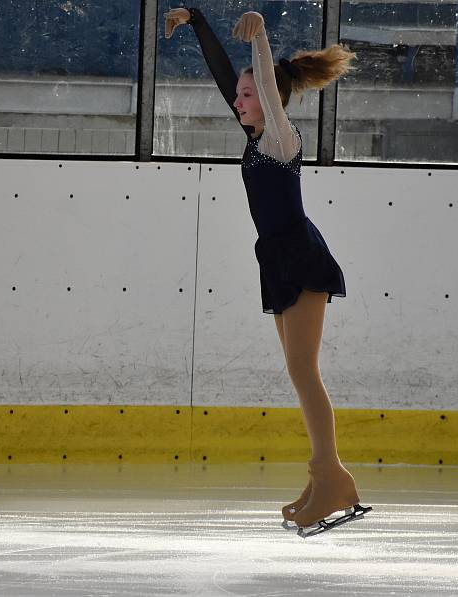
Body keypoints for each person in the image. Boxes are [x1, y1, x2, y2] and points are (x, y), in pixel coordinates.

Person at [164, 6, 361, 529]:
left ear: (271, 99)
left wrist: (262, 37)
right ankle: (324, 478)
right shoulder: (255, 138)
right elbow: (224, 76)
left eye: (248, 96)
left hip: (299, 254)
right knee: (299, 372)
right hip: (275, 257)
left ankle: (332, 476)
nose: (239, 100)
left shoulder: (280, 139)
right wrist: (198, 22)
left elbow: (267, 92)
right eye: (240, 97)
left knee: (303, 370)